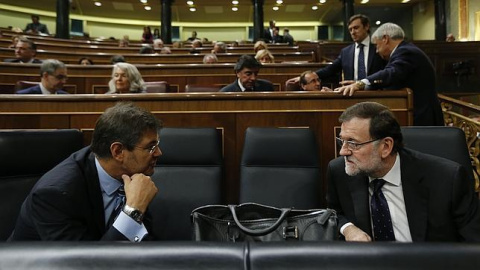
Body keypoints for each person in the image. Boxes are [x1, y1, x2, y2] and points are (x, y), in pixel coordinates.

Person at [326, 101, 480, 242]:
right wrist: (348, 228)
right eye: (342, 141)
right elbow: (333, 213)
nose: (343, 152)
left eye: (353, 144)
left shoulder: (448, 178)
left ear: (386, 146)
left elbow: (472, 243)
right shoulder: (340, 171)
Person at [9, 102, 162, 241]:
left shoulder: (130, 174)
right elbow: (85, 263)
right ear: (118, 151)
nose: (158, 153)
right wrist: (133, 210)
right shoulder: (55, 195)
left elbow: (144, 242)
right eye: (151, 147)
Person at [334, 22, 444, 126]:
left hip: (423, 117)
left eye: (377, 45)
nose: (376, 51)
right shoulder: (404, 50)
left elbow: (391, 72)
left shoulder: (406, 51)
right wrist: (363, 84)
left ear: (385, 39)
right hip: (420, 114)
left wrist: (360, 84)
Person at [286, 14, 385, 87]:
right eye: (350, 30)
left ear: (366, 26)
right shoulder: (346, 52)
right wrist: (307, 78)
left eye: (356, 28)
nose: (353, 32)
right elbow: (330, 69)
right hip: (351, 93)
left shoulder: (379, 47)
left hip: (375, 92)